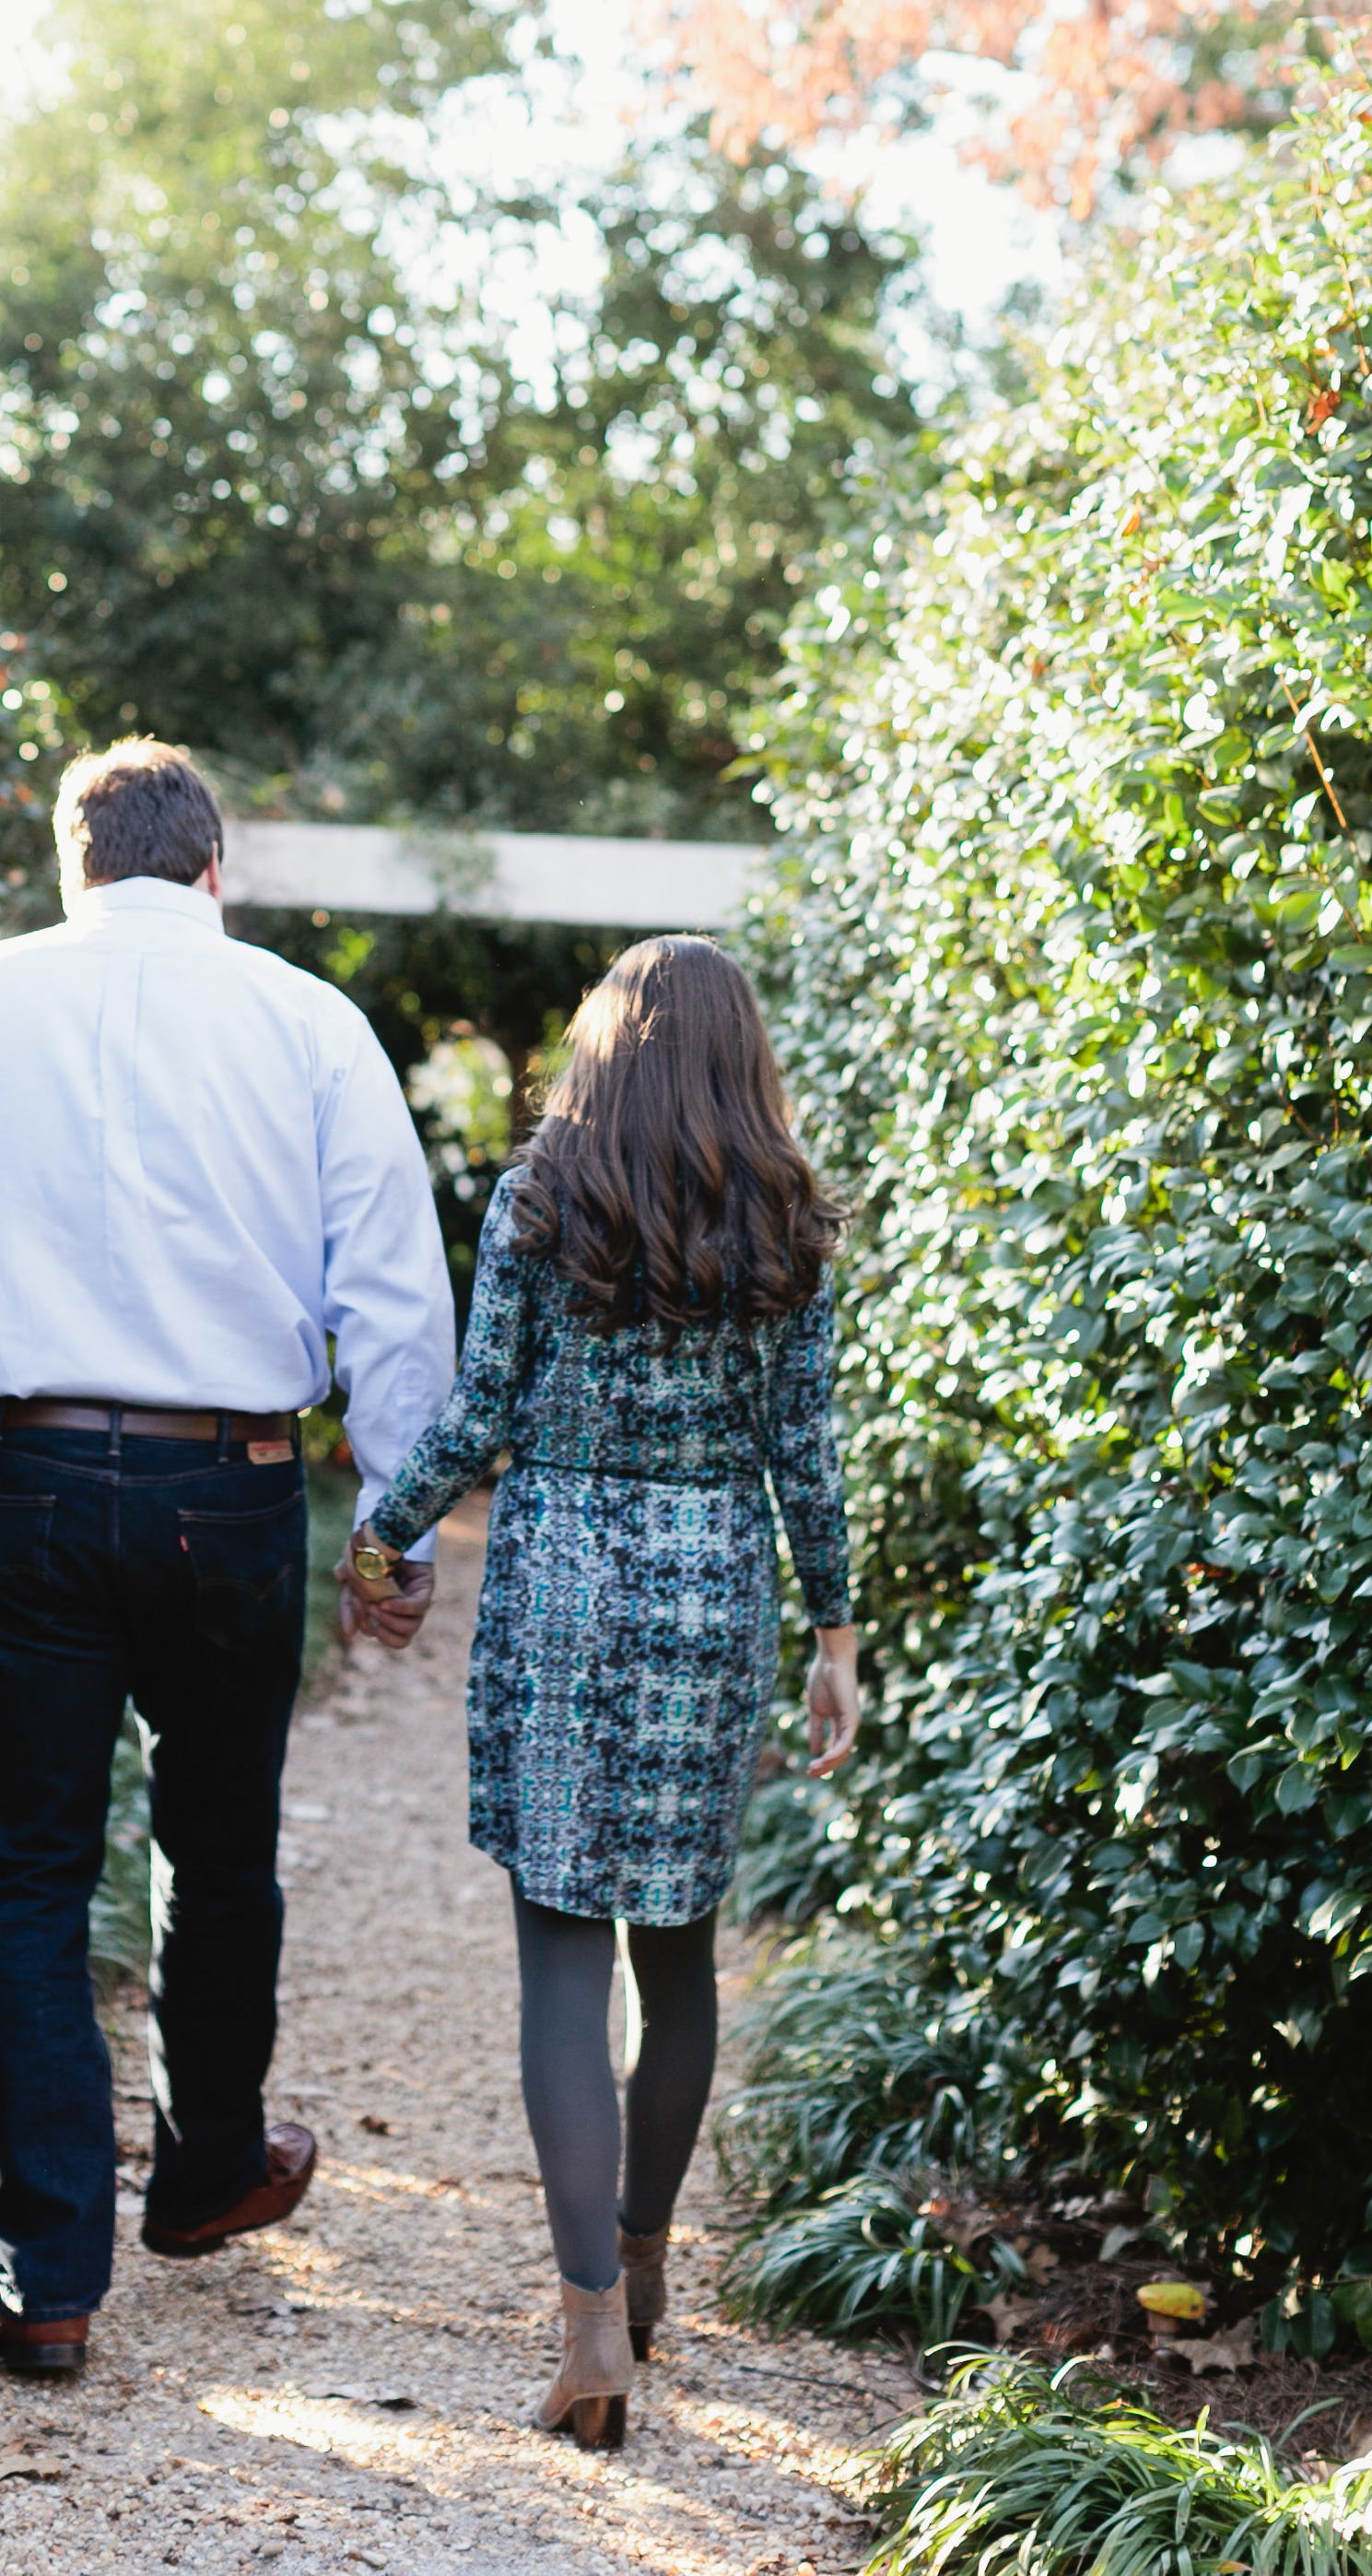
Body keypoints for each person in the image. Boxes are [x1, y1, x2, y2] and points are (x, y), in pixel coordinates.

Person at [0, 739, 454, 2377]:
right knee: (221, 1842)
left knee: (24, 1874)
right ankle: (209, 2172)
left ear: (68, 866)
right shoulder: (311, 1023)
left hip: (26, 1478)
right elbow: (391, 1288)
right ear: (214, 868)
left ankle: (48, 2283)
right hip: (230, 1484)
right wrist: (392, 1520)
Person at [337, 934, 858, 2452]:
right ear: (742, 1055)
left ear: (605, 1044)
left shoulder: (543, 1198)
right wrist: (834, 1629)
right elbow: (802, 1454)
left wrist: (384, 1527)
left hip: (565, 1573)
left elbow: (483, 1409)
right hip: (710, 1587)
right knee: (679, 1952)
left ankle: (585, 2338)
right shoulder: (788, 1218)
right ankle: (643, 2271)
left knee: (563, 1956)